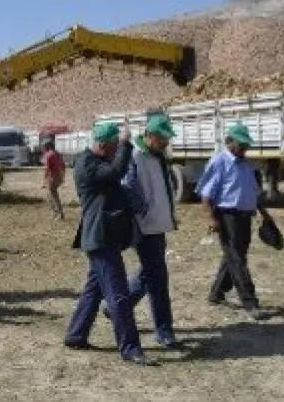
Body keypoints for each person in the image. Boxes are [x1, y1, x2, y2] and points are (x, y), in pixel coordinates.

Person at [63, 122, 158, 367]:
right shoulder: (87, 164)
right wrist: (126, 143)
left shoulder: (95, 160)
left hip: (105, 237)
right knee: (119, 295)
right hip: (100, 239)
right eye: (115, 146)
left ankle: (75, 334)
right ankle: (130, 348)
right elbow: (116, 172)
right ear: (103, 145)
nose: (118, 150)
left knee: (93, 290)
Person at [110, 114, 180, 348]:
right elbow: (127, 188)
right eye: (163, 138)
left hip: (158, 224)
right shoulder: (137, 156)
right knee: (158, 278)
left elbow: (164, 190)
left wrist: (168, 216)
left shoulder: (158, 157)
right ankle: (164, 330)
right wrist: (146, 213)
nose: (166, 143)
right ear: (150, 135)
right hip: (145, 227)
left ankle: (118, 306)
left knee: (149, 272)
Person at [198, 122, 263, 310]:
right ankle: (250, 302)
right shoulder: (219, 162)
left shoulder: (244, 164)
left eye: (246, 144)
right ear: (229, 141)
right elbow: (206, 194)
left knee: (235, 256)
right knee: (237, 258)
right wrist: (211, 218)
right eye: (241, 144)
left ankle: (216, 293)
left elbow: (251, 190)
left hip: (244, 217)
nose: (245, 148)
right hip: (227, 216)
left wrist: (261, 212)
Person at [41, 141, 66, 221]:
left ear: (46, 147)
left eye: (43, 147)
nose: (42, 149)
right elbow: (63, 165)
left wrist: (44, 180)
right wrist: (62, 177)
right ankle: (57, 213)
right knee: (51, 196)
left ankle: (59, 214)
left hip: (52, 177)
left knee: (53, 196)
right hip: (58, 176)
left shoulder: (48, 155)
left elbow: (47, 169)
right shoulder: (57, 154)